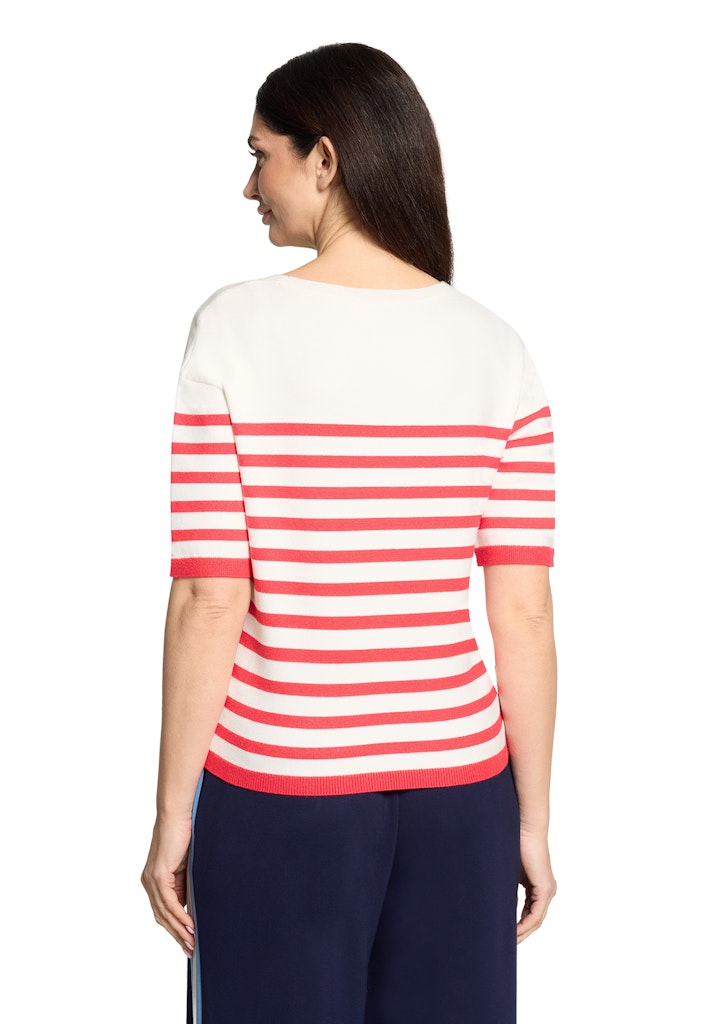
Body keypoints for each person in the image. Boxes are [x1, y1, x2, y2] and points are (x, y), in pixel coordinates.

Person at [141, 41, 557, 1024]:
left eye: (262, 156)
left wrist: (169, 815)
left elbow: (210, 595)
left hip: (282, 789)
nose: (251, 186)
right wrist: (531, 821)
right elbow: (525, 613)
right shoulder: (498, 348)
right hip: (464, 796)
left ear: (323, 159)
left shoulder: (233, 328)